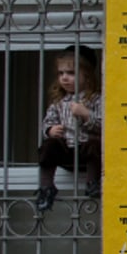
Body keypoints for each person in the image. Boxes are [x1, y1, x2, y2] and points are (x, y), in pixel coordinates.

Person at [37, 45, 102, 212]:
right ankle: (46, 187)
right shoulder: (59, 101)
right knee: (48, 146)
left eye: (71, 73)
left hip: (85, 150)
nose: (65, 78)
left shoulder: (96, 99)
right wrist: (50, 130)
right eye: (61, 73)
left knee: (96, 145)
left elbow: (104, 126)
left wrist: (87, 115)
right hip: (66, 150)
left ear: (86, 76)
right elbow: (47, 122)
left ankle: (93, 182)